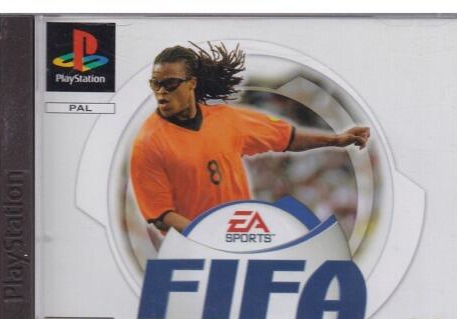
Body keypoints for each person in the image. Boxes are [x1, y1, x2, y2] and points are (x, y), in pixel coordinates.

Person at [130, 42, 370, 233]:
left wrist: (336, 140)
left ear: (191, 83)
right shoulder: (148, 142)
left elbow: (287, 137)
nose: (161, 91)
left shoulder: (226, 118)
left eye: (170, 84)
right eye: (155, 84)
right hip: (192, 247)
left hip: (239, 237)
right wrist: (206, 237)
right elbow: (160, 215)